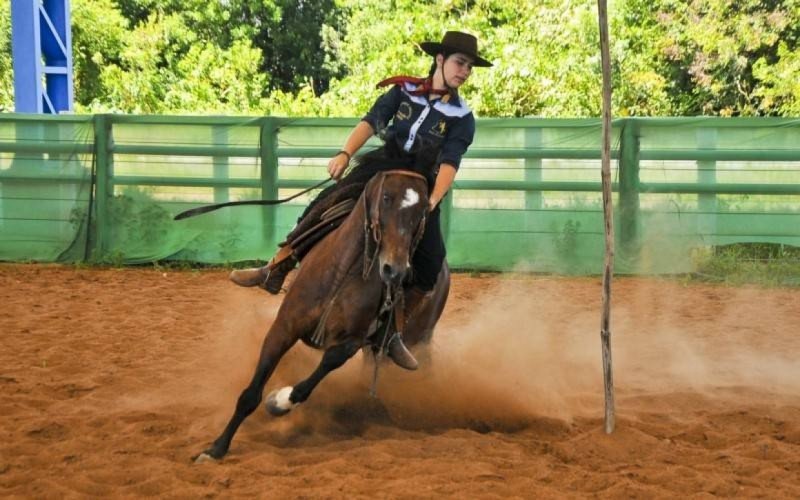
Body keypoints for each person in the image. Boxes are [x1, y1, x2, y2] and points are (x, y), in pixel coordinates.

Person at [230, 30, 492, 369]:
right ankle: (276, 268)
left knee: (432, 261)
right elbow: (371, 122)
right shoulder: (404, 91)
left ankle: (391, 331)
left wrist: (433, 199)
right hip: (382, 169)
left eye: (470, 66)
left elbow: (450, 162)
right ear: (440, 60)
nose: (465, 71)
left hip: (420, 186)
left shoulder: (462, 117)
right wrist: (344, 153)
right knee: (324, 204)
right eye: (460, 62)